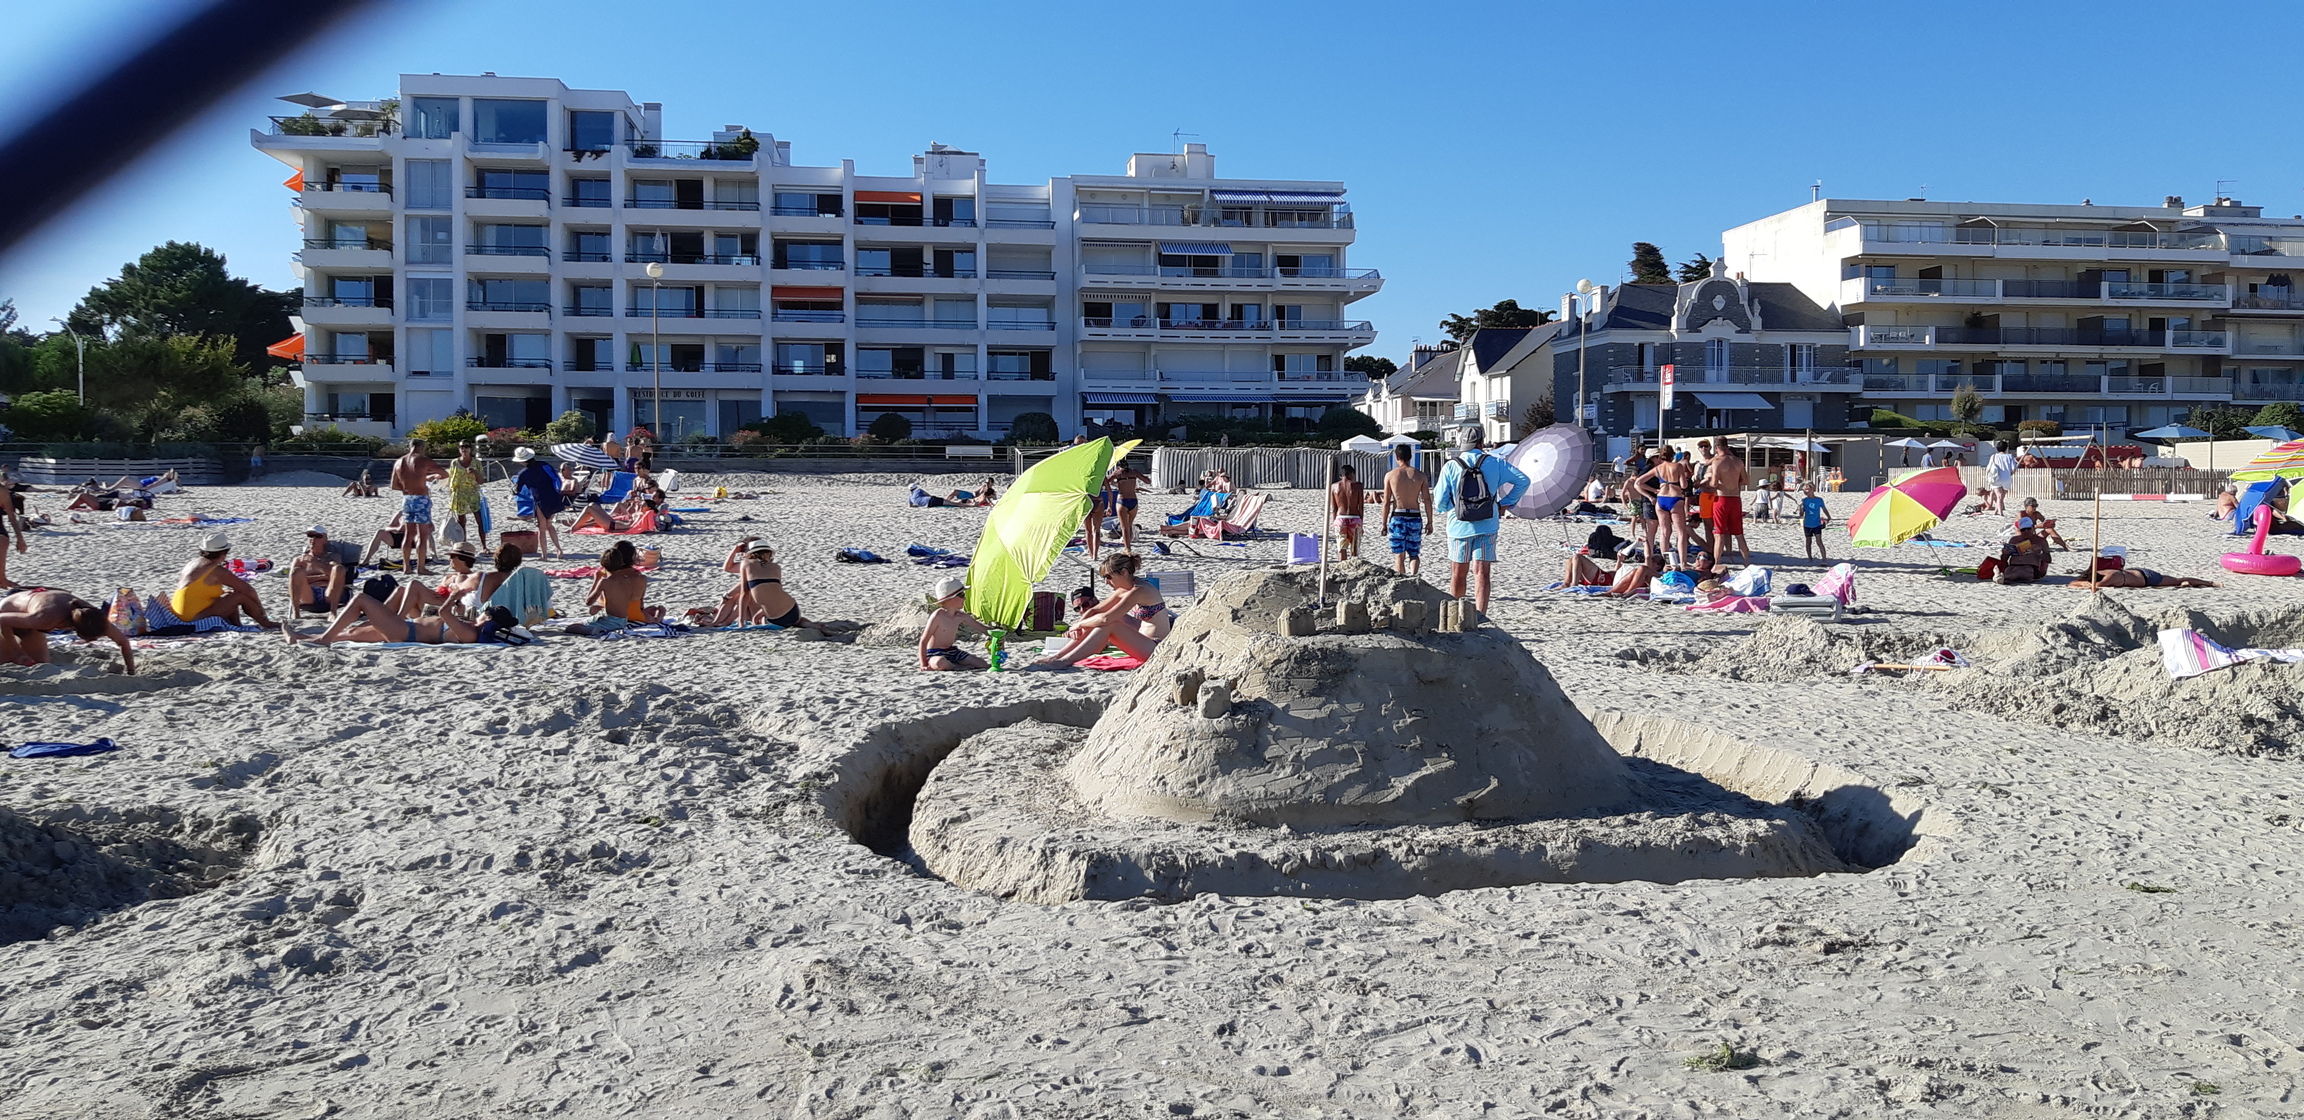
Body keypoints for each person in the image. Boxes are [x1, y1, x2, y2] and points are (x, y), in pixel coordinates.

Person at [1435, 430, 1530, 617]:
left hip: (1459, 525)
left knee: (1458, 572)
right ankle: (1481, 616)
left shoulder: (1451, 466)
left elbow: (1439, 502)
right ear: (1481, 443)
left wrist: (1451, 508)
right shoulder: (1496, 463)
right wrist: (1505, 504)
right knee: (1482, 572)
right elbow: (1523, 481)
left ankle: (1456, 616)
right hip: (1488, 524)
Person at [1031, 552, 1169, 668]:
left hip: (1157, 648)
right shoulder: (1124, 590)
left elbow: (1106, 618)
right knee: (1097, 620)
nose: (1106, 582)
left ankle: (1065, 661)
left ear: (1124, 572)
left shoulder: (1139, 590)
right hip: (1144, 643)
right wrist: (1077, 626)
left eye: (1108, 577)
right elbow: (1094, 611)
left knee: (1110, 623)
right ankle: (1058, 656)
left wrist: (1079, 625)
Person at [0, 588, 135, 673]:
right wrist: (18, 652)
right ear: (75, 628)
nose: (94, 640)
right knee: (9, 661)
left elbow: (123, 643)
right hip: (6, 611)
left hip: (30, 618)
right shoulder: (45, 619)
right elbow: (2, 620)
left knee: (40, 664)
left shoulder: (94, 618)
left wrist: (130, 670)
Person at [282, 591, 485, 646]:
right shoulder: (470, 625)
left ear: (488, 619)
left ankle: (324, 639)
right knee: (351, 633)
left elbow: (443, 613)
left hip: (405, 632)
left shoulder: (470, 634)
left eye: (486, 614)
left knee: (361, 599)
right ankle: (298, 638)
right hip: (404, 628)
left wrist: (453, 597)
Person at [170, 534, 275, 627]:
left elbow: (195, 591)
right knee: (240, 596)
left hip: (179, 614)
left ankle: (237, 624)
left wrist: (224, 592)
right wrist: (260, 609)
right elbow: (248, 590)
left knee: (230, 594)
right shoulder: (216, 570)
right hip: (193, 618)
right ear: (223, 553)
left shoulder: (193, 564)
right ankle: (265, 623)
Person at [390, 438, 449, 576]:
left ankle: (406, 567)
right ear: (421, 447)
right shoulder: (423, 460)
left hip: (407, 499)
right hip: (421, 498)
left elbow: (394, 485)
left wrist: (410, 485)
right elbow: (444, 474)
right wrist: (428, 478)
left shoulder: (399, 461)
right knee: (423, 535)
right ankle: (420, 568)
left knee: (408, 534)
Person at [1633, 447, 1694, 567]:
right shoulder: (1678, 466)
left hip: (1661, 499)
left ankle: (1667, 563)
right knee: (1681, 532)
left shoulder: (1658, 468)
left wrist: (1653, 491)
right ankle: (1683, 563)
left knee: (1664, 533)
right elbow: (1684, 485)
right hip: (1675, 498)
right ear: (1673, 455)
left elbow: (1638, 482)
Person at [1381, 443, 1434, 577]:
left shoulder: (1390, 475)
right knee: (1414, 553)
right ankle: (1413, 577)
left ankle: (1402, 580)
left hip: (1398, 515)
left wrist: (1383, 523)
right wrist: (1430, 521)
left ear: (1397, 457)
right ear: (1410, 457)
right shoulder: (1420, 475)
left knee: (1399, 554)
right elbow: (1427, 500)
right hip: (1415, 516)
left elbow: (1386, 502)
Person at [917, 576, 989, 671]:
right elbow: (923, 640)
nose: (965, 598)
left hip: (952, 652)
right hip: (934, 653)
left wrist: (998, 634)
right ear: (950, 599)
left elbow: (983, 629)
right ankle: (956, 666)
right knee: (940, 663)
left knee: (982, 664)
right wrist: (923, 664)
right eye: (961, 595)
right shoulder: (938, 616)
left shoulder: (960, 616)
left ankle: (953, 665)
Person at [509, 447, 566, 560]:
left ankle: (544, 555)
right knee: (549, 525)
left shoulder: (523, 473)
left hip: (540, 500)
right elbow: (557, 479)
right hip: (553, 497)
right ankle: (559, 549)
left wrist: (513, 490)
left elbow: (517, 490)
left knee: (542, 529)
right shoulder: (545, 465)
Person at [288, 524, 350, 616]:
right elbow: (293, 581)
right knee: (296, 571)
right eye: (310, 536)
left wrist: (315, 562)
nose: (313, 539)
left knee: (338, 568)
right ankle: (296, 612)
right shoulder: (299, 559)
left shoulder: (332, 557)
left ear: (325, 539)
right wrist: (322, 576)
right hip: (308, 594)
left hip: (330, 592)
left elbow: (337, 574)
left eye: (318, 536)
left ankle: (333, 612)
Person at [1708, 444, 1752, 565]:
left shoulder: (1717, 461)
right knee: (1739, 534)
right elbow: (1746, 481)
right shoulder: (1738, 461)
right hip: (1735, 498)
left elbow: (1714, 483)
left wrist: (1709, 481)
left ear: (1717, 447)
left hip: (1722, 498)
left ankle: (1716, 563)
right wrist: (1735, 484)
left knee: (1719, 534)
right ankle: (1746, 562)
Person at [447, 441, 487, 550]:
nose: (464, 449)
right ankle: (463, 545)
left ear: (470, 449)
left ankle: (484, 546)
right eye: (461, 447)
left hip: (473, 493)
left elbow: (481, 481)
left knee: (480, 521)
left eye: (466, 446)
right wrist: (451, 494)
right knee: (462, 522)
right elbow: (451, 480)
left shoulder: (476, 462)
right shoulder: (455, 462)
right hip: (459, 494)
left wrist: (475, 472)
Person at [2070, 564, 2220, 590]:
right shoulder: (2101, 572)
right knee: (2177, 582)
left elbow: (2096, 586)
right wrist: (2081, 584)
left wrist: (2083, 585)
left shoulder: (2110, 576)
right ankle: (2188, 584)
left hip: (2147, 578)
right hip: (2137, 573)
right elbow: (2071, 583)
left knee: (2176, 580)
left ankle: (2210, 583)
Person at [1329, 463, 1365, 561]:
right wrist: (1361, 523)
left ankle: (1342, 567)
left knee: (1341, 548)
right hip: (1355, 518)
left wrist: (1335, 521)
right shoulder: (1358, 486)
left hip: (1340, 518)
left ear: (1341, 475)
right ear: (1352, 474)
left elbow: (1334, 508)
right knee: (1354, 549)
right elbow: (1361, 507)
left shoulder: (1334, 486)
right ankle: (1353, 567)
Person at [1108, 462, 1147, 551]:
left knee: (1124, 527)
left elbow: (1106, 482)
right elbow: (1148, 481)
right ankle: (1129, 542)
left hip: (1122, 500)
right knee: (1129, 525)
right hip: (1133, 500)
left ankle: (1128, 549)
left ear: (1118, 467)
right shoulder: (1134, 472)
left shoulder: (1118, 473)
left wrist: (1116, 481)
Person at [0, 470, 28, 590]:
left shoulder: (1, 490)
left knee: (2, 540)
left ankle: (2, 578)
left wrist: (20, 539)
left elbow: (11, 516)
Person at [1799, 483, 1832, 561]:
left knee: (1819, 541)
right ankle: (1810, 558)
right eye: (1804, 490)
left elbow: (1824, 509)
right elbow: (1801, 515)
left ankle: (1824, 558)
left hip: (1817, 524)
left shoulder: (1819, 500)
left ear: (1812, 489)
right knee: (1808, 542)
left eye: (1807, 489)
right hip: (1807, 524)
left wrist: (1828, 517)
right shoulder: (1804, 501)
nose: (1805, 491)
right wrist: (1801, 509)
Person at [1985, 440, 2018, 515]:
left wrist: (1988, 476)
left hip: (1996, 478)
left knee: (1999, 496)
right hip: (2006, 478)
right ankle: (1999, 512)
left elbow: (1988, 468)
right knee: (2001, 497)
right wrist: (2010, 474)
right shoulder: (2010, 456)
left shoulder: (1993, 456)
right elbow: (2014, 469)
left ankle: (1998, 512)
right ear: (2006, 448)